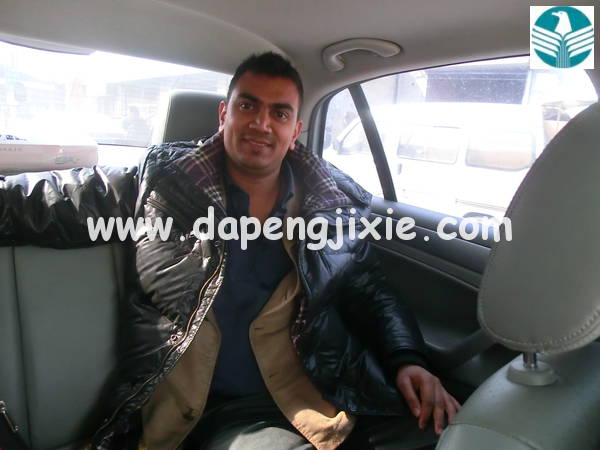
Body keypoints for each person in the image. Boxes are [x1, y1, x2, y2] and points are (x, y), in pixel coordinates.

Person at [0, 52, 459, 450]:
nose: (262, 123)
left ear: (295, 129)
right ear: (224, 114)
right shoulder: (163, 184)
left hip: (314, 394)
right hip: (202, 406)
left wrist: (408, 359)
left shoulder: (331, 204)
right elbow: (48, 201)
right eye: (248, 105)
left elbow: (369, 288)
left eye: (279, 113)